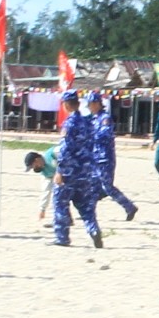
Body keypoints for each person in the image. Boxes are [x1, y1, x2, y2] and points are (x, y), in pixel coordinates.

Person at [49, 95, 105, 248]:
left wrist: (60, 170)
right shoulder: (88, 122)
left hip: (69, 171)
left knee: (60, 202)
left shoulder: (70, 123)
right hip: (85, 170)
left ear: (66, 104)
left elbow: (65, 149)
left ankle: (62, 237)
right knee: (84, 205)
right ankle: (93, 230)